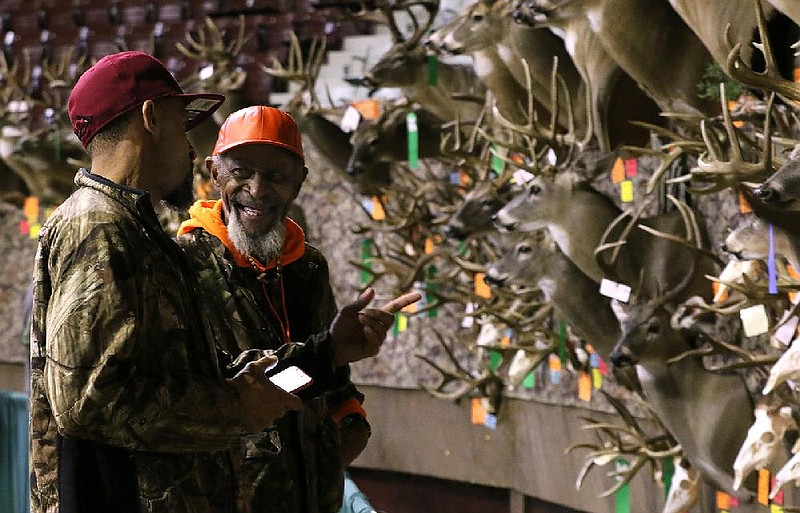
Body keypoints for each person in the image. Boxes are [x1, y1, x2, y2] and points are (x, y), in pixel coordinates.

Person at [29, 51, 417, 513]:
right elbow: (89, 402)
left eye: (276, 175)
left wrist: (327, 359)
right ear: (151, 118)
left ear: (298, 183)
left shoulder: (145, 235)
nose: (191, 149)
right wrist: (236, 407)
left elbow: (218, 377)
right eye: (183, 125)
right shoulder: (105, 229)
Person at [176, 105, 409, 513]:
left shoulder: (308, 267)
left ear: (299, 182)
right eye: (240, 171)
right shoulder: (184, 265)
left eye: (277, 175)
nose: (258, 188)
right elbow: (228, 391)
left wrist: (349, 415)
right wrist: (327, 354)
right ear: (214, 174)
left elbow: (324, 378)